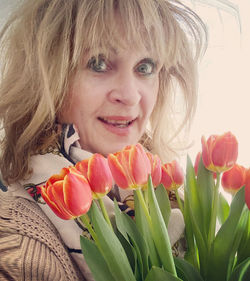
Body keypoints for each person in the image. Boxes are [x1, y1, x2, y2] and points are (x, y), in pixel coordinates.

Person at [0, 0, 206, 280]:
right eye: (98, 63)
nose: (130, 95)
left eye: (145, 67)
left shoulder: (170, 197)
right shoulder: (16, 238)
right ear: (46, 77)